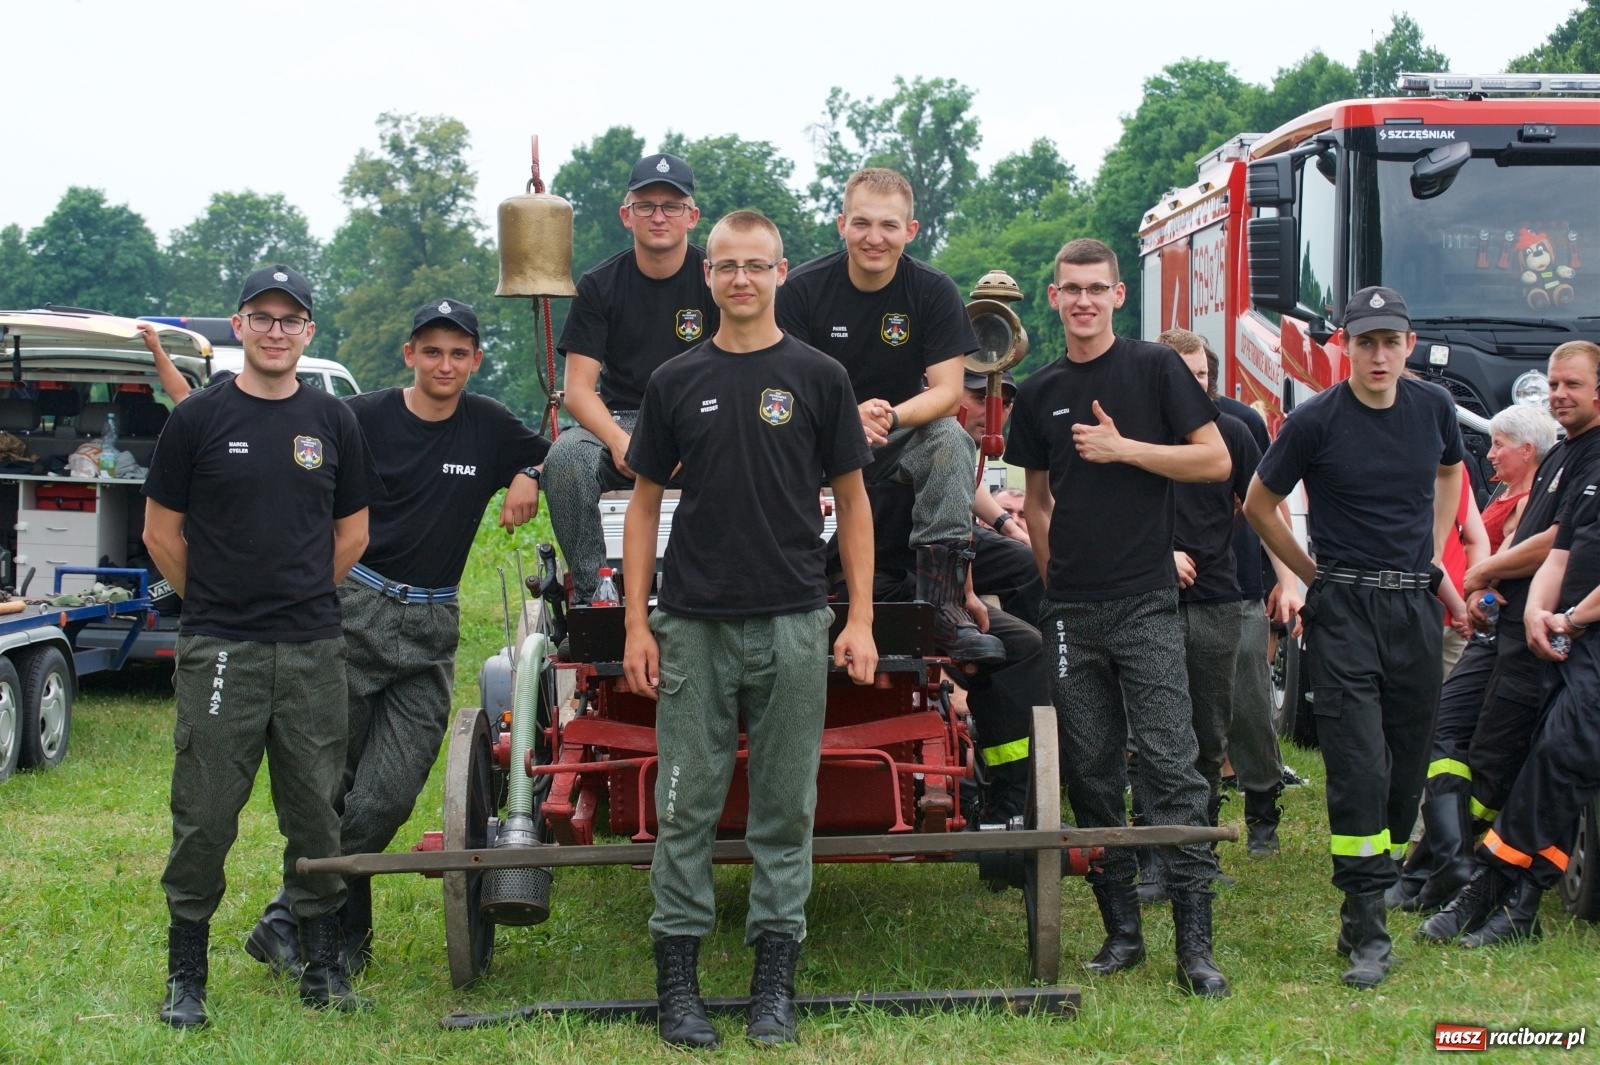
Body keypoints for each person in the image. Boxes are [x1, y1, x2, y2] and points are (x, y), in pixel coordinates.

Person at [622, 211, 877, 1048]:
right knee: (685, 805)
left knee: (783, 809)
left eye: (755, 266)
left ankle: (774, 985)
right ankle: (679, 987)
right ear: (708, 275)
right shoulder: (673, 380)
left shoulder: (819, 375)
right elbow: (646, 505)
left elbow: (855, 502)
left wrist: (861, 617)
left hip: (795, 621)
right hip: (693, 622)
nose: (740, 279)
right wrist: (637, 621)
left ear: (779, 272)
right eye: (726, 266)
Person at [244, 299, 550, 978]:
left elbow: (556, 450)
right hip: (355, 607)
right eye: (432, 351)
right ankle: (336, 937)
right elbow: (293, 479)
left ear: (475, 360)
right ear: (409, 354)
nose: (446, 364)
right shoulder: (358, 418)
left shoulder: (491, 425)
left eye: (460, 353)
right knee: (332, 784)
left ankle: (284, 915)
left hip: (432, 627)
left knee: (390, 791)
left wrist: (530, 472)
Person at [142, 265, 380, 1026]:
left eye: (291, 318)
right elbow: (158, 530)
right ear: (238, 326)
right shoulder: (199, 419)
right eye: (262, 317)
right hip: (222, 650)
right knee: (206, 811)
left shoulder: (334, 420)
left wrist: (302, 592)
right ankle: (187, 976)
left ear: (309, 330)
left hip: (311, 648)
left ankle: (320, 966)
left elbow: (354, 533)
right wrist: (214, 602)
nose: (276, 331)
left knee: (315, 809)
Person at [1005, 238, 1233, 997]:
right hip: (1071, 608)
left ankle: (1195, 948)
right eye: (1070, 288)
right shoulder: (1036, 392)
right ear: (1052, 296)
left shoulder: (1156, 369)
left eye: (1096, 288)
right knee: (1094, 773)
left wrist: (1124, 448)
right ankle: (1122, 932)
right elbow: (1034, 499)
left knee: (1171, 763)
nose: (1083, 301)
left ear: (1117, 297)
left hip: (1144, 600)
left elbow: (1214, 462)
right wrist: (1050, 575)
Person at [1245, 285, 1466, 990]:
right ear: (1344, 345)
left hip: (1413, 613)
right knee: (1360, 767)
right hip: (1344, 611)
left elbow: (1452, 472)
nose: (1378, 355)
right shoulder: (1315, 421)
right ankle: (1367, 920)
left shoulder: (1432, 408)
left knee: (1405, 773)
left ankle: (1372, 887)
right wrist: (1312, 574)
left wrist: (1432, 556)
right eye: (1364, 342)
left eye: (1389, 342)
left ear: (1408, 343)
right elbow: (1258, 502)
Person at [1413, 341, 1600, 937]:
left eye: (1572, 384)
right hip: (1539, 630)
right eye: (1554, 384)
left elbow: (1553, 549)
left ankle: (1490, 888)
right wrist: (1529, 608)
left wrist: (1559, 615)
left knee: (1547, 760)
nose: (1559, 394)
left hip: (1572, 633)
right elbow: (1562, 545)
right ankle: (1461, 875)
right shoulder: (1567, 454)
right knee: (1510, 756)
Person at [777, 167, 1000, 663]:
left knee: (949, 438)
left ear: (911, 231)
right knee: (769, 433)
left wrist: (888, 418)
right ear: (841, 225)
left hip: (895, 435)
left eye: (889, 226)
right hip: (813, 439)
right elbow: (782, 385)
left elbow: (946, 393)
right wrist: (843, 418)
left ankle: (939, 607)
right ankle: (774, 591)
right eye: (861, 224)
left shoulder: (933, 290)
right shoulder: (801, 290)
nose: (874, 238)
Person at [1391, 401, 1558, 913]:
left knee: (1470, 754)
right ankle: (1438, 866)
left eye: (1500, 445)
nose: (1490, 453)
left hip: (1514, 637)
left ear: (1528, 451)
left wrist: (1479, 581)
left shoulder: (1536, 499)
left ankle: (1442, 865)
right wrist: (1479, 593)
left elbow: (1536, 552)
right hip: (1492, 629)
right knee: (1453, 744)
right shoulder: (1512, 494)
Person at [545, 153, 718, 606]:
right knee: (565, 458)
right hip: (618, 420)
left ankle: (727, 586)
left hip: (703, 418)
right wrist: (624, 443)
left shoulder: (717, 281)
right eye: (645, 205)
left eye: (671, 206)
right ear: (627, 215)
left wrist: (687, 436)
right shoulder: (599, 286)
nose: (658, 216)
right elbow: (579, 390)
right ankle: (593, 594)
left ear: (692, 217)